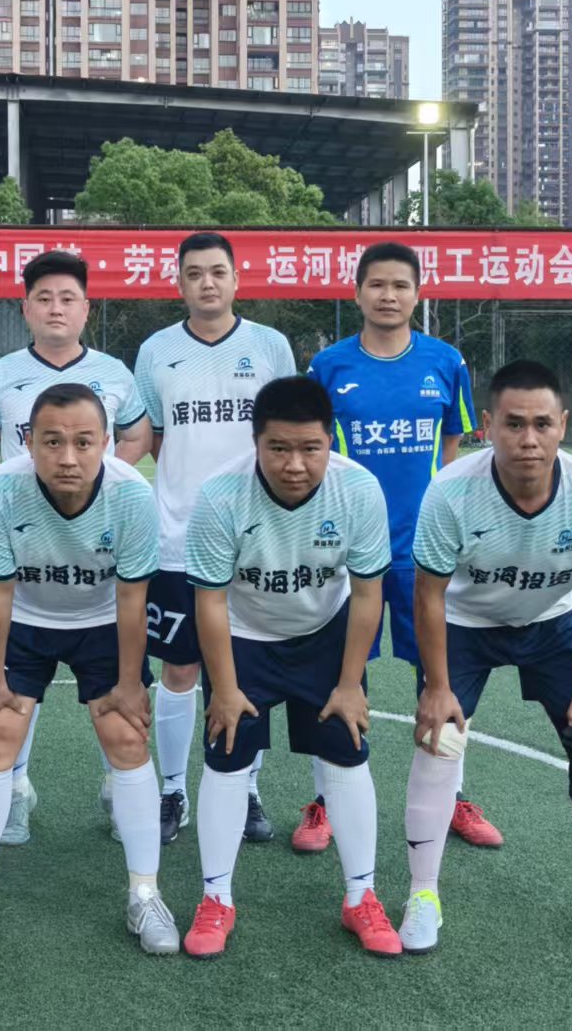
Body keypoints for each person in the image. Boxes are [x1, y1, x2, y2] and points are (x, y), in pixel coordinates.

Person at [400, 360, 572, 958]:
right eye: (514, 424)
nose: (528, 439)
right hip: (466, 624)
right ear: (487, 425)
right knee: (440, 739)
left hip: (550, 622)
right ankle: (422, 895)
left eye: (542, 424)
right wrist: (436, 686)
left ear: (563, 425)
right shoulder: (451, 490)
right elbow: (428, 594)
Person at [0, 383, 180, 957]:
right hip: (25, 619)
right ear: (28, 442)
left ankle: (145, 894)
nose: (68, 457)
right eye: (52, 442)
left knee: (126, 737)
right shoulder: (1, 489)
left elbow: (132, 600)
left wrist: (129, 684)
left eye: (83, 442)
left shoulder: (131, 494)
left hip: (103, 620)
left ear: (107, 443)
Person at [180, 376, 399, 960]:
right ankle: (216, 897)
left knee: (347, 750)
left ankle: (361, 897)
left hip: (324, 634)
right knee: (227, 753)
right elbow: (209, 601)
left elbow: (368, 593)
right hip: (244, 636)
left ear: (331, 441)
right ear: (256, 442)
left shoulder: (359, 490)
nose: (294, 464)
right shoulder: (220, 495)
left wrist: (350, 684)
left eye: (310, 448)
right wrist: (225, 688)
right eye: (278, 448)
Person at [304, 242, 499, 854]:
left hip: (424, 552)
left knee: (441, 676)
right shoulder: (328, 367)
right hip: (345, 548)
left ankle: (451, 793)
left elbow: (451, 454)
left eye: (400, 285)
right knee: (337, 675)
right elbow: (313, 454)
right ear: (357, 292)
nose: (388, 295)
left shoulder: (445, 361)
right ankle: (325, 800)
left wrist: (449, 528)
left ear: (418, 293)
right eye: (377, 284)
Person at [0, 250, 150, 842]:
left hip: (95, 548)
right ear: (26, 309)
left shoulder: (115, 373)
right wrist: (18, 493)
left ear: (87, 308)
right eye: (44, 298)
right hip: (29, 549)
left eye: (68, 298)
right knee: (13, 691)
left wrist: (99, 482)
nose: (56, 308)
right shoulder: (0, 374)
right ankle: (14, 788)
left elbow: (139, 436)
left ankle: (121, 786)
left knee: (118, 699)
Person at [132, 231, 296, 846]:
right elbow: (151, 436)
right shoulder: (155, 351)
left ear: (236, 279)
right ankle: (173, 790)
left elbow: (287, 434)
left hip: (258, 536)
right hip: (178, 537)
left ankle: (245, 787)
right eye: (195, 273)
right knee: (179, 668)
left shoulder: (270, 345)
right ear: (179, 283)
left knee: (247, 668)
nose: (207, 282)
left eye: (218, 272)